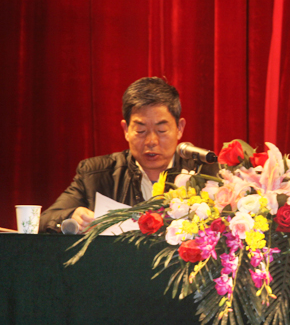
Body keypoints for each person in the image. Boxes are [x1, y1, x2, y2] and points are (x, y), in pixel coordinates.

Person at [40, 77, 215, 233]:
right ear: (126, 130)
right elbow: (44, 220)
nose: (151, 141)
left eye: (161, 130)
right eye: (140, 131)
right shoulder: (96, 175)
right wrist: (72, 217)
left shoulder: (206, 174)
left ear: (180, 128)